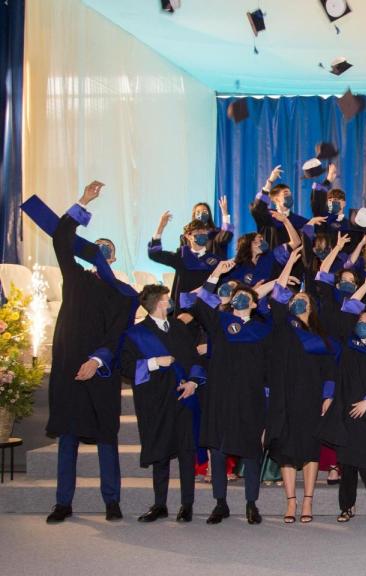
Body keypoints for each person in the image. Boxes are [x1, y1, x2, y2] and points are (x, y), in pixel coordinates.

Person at [43, 182, 135, 524]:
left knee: (106, 438)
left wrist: (96, 361)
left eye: (107, 249)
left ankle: (111, 501)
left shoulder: (124, 294)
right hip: (69, 368)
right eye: (96, 247)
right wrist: (82, 201)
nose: (101, 251)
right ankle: (62, 503)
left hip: (101, 372)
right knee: (68, 437)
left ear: (113, 258)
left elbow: (117, 334)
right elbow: (60, 239)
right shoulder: (75, 277)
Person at [191, 260, 273, 525]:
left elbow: (270, 367)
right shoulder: (220, 321)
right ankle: (220, 503)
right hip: (220, 395)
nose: (238, 299)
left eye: (244, 297)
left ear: (253, 304)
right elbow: (200, 302)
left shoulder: (262, 330)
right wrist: (216, 273)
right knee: (218, 450)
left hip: (250, 396)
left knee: (251, 451)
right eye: (235, 296)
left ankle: (251, 503)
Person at [265, 250, 340, 524]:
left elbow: (330, 369)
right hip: (284, 397)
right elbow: (277, 294)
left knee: (309, 448)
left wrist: (328, 396)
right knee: (285, 448)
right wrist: (289, 263)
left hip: (311, 397)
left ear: (311, 306)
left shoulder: (320, 336)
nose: (297, 303)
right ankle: (290, 502)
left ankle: (308, 500)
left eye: (303, 300)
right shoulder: (283, 327)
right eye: (295, 300)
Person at [120, 284, 204, 523]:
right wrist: (155, 361)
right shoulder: (136, 334)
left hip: (184, 398)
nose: (171, 302)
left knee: (187, 452)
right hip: (155, 402)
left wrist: (193, 383)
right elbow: (126, 368)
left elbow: (195, 359)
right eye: (167, 299)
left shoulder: (179, 327)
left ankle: (186, 504)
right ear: (159, 303)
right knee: (160, 453)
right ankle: (160, 504)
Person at [316, 270, 366, 524]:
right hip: (348, 414)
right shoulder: (349, 349)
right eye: (361, 320)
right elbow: (346, 312)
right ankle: (346, 506)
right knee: (348, 465)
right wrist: (364, 287)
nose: (363, 323)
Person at [148, 213, 222, 309]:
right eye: (198, 232)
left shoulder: (215, 260)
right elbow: (155, 254)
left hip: (206, 309)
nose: (202, 235)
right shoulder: (181, 256)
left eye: (204, 232)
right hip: (183, 309)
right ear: (188, 236)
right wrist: (161, 227)